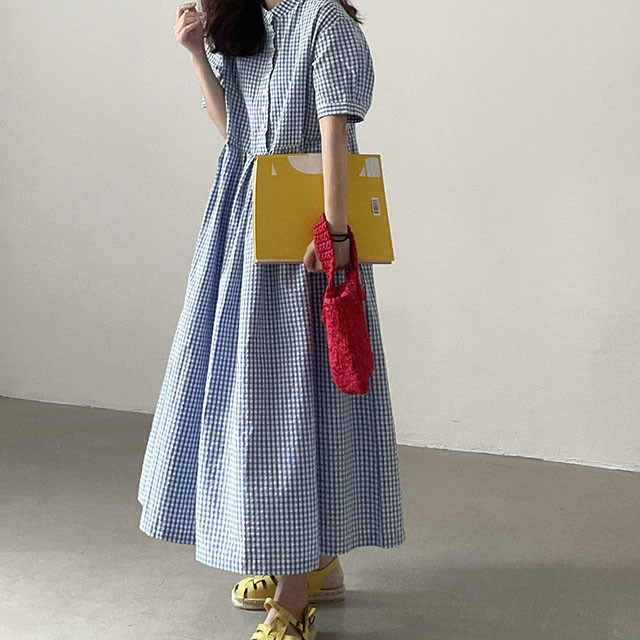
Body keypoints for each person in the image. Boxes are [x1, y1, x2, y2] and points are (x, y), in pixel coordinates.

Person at [137, 0, 406, 637]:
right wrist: (197, 54)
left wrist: (334, 231)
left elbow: (334, 130)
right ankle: (318, 565)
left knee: (296, 398)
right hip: (246, 225)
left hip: (307, 230)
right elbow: (238, 133)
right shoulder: (246, 22)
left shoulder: (322, 22)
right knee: (260, 398)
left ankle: (295, 593)